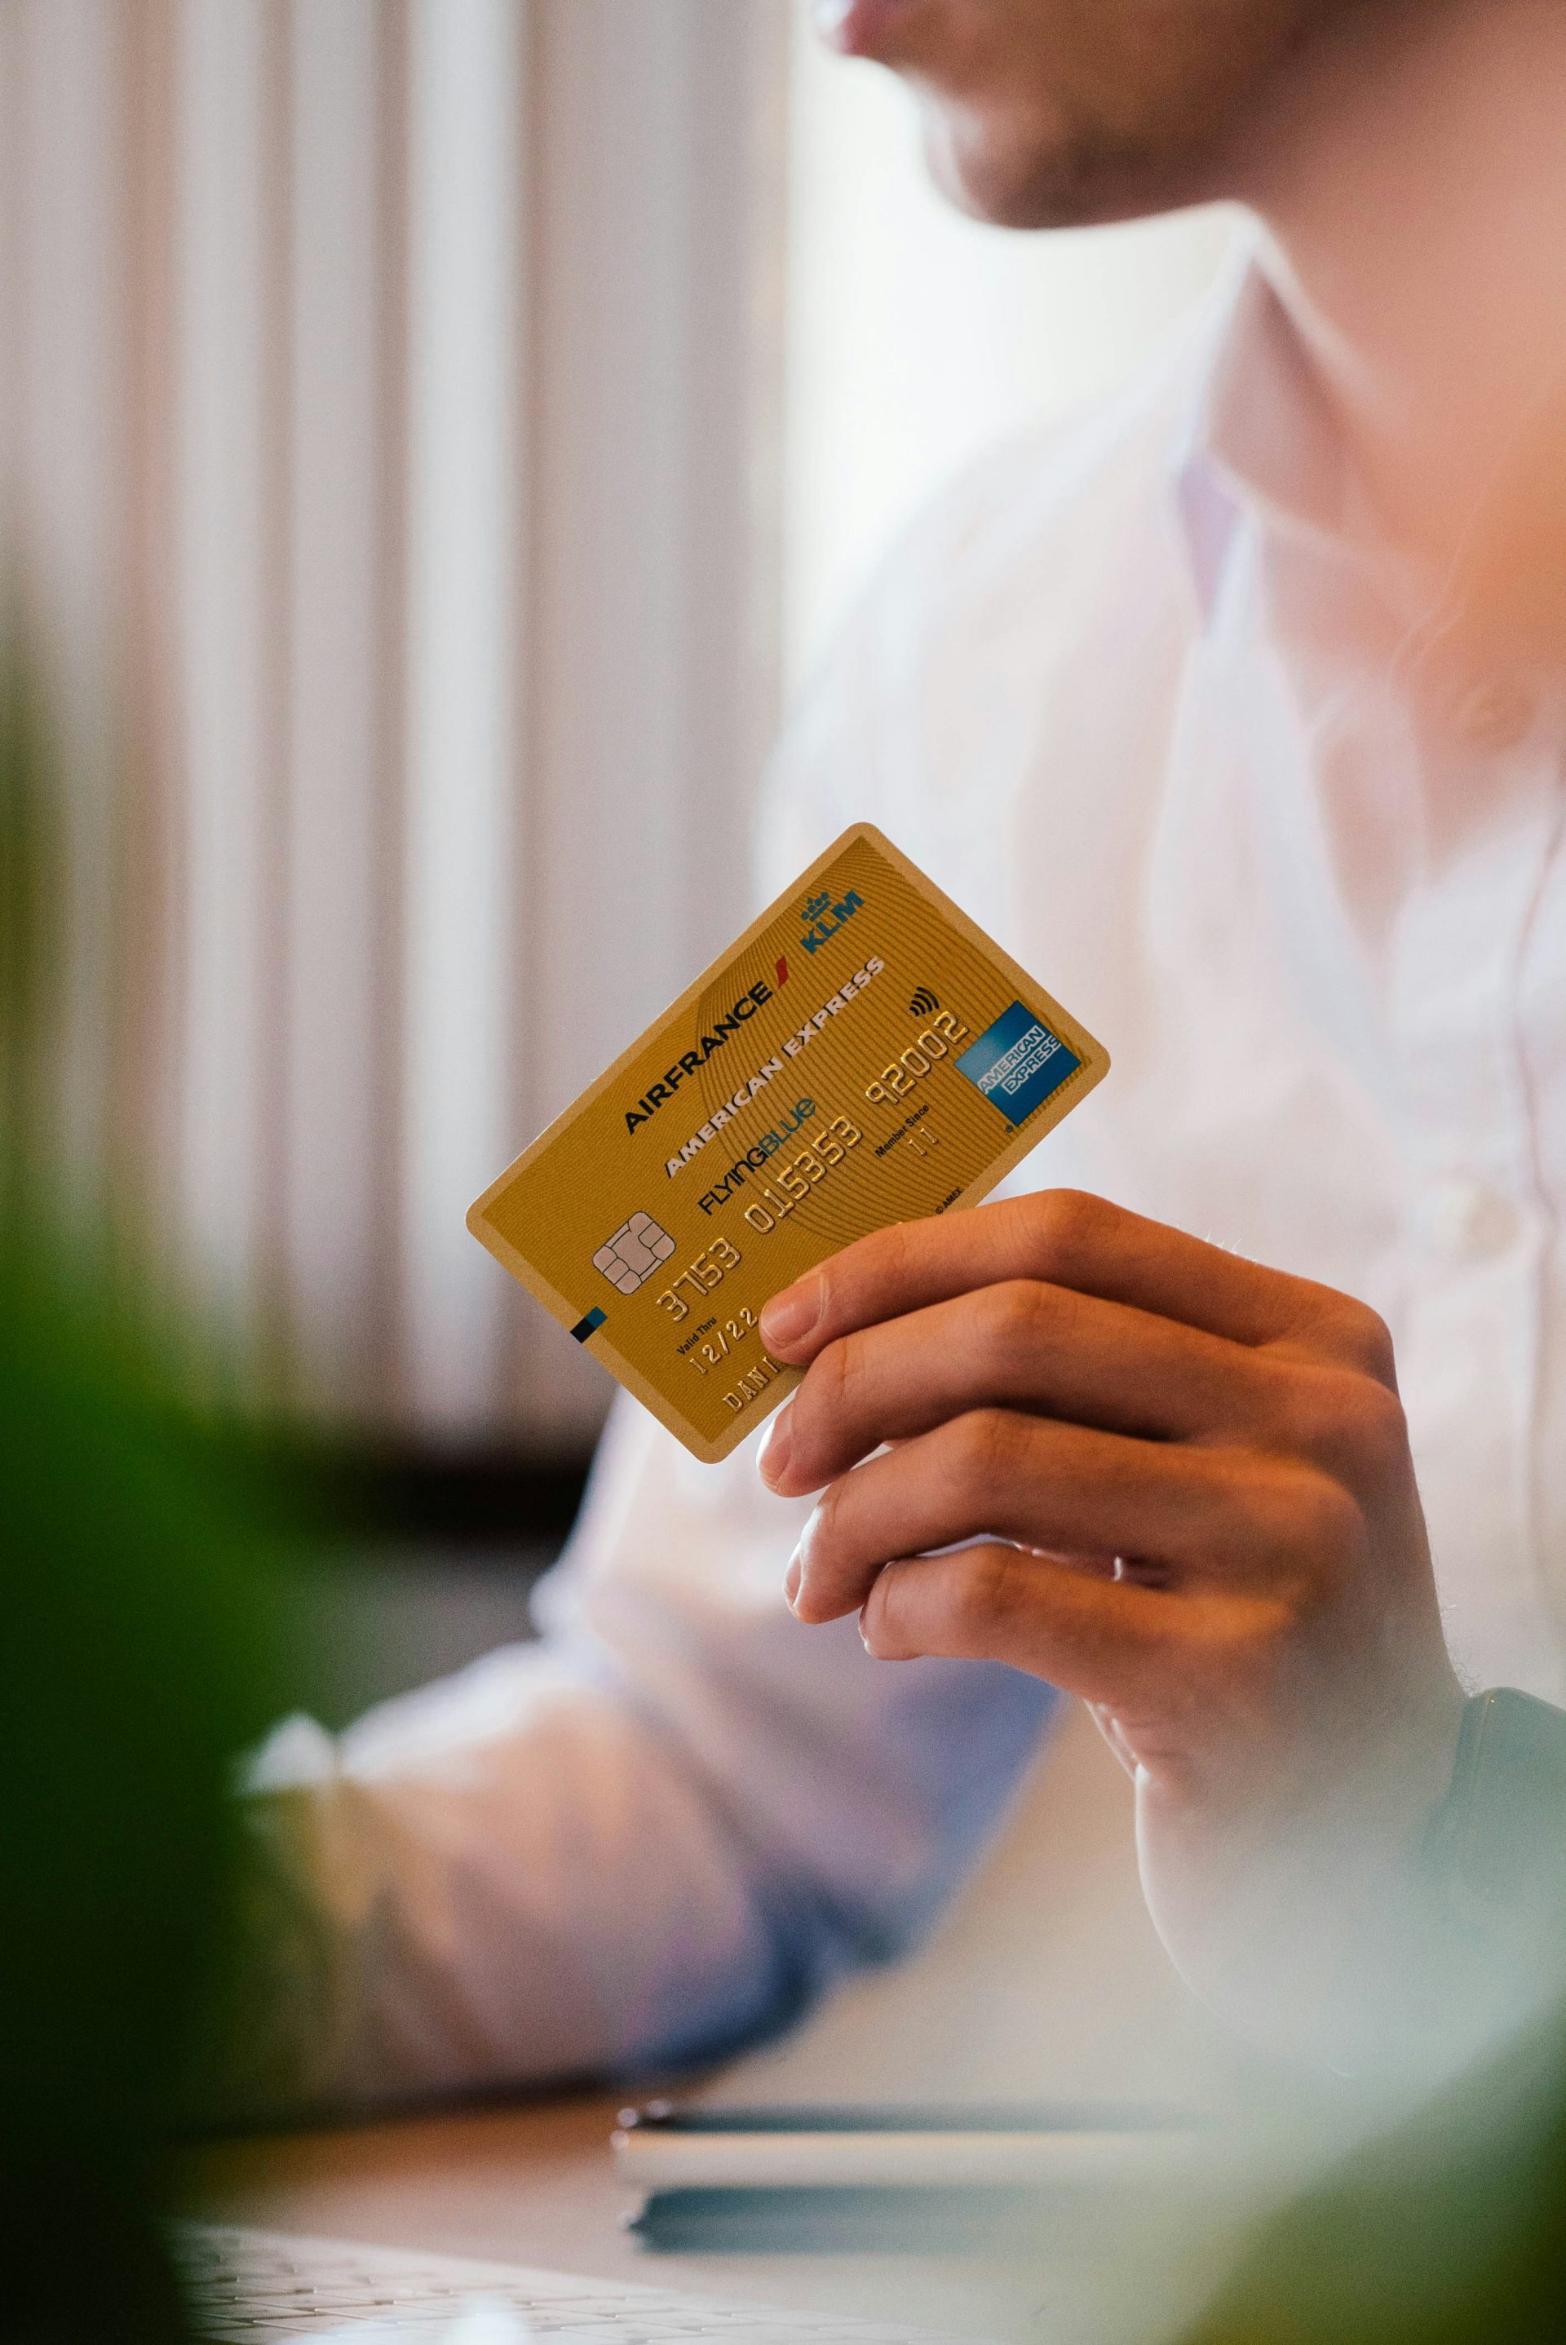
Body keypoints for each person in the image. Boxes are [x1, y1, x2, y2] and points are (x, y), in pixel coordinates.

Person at [240, 0, 1566, 2109]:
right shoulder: (980, 642)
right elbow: (725, 1767)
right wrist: (123, 1929)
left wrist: (1441, 1834)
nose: (835, 18)